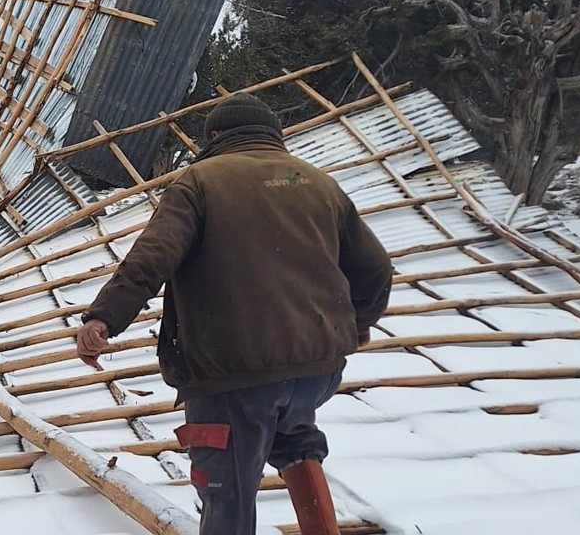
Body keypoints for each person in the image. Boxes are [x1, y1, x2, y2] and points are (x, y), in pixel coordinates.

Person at [76, 93, 392, 535]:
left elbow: (153, 257)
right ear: (271, 135)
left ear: (216, 137)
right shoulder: (317, 182)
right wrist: (357, 325)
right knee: (295, 439)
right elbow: (376, 269)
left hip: (233, 373)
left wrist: (104, 318)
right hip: (315, 371)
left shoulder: (201, 181)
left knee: (227, 490)